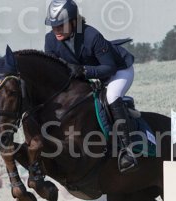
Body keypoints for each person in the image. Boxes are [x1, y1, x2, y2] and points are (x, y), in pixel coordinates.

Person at [44, 0, 138, 173]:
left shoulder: (91, 35)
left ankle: (127, 150)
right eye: (53, 26)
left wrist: (84, 70)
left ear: (74, 22)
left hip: (119, 70)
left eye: (61, 25)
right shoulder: (50, 40)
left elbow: (109, 68)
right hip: (90, 75)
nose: (56, 30)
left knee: (111, 96)